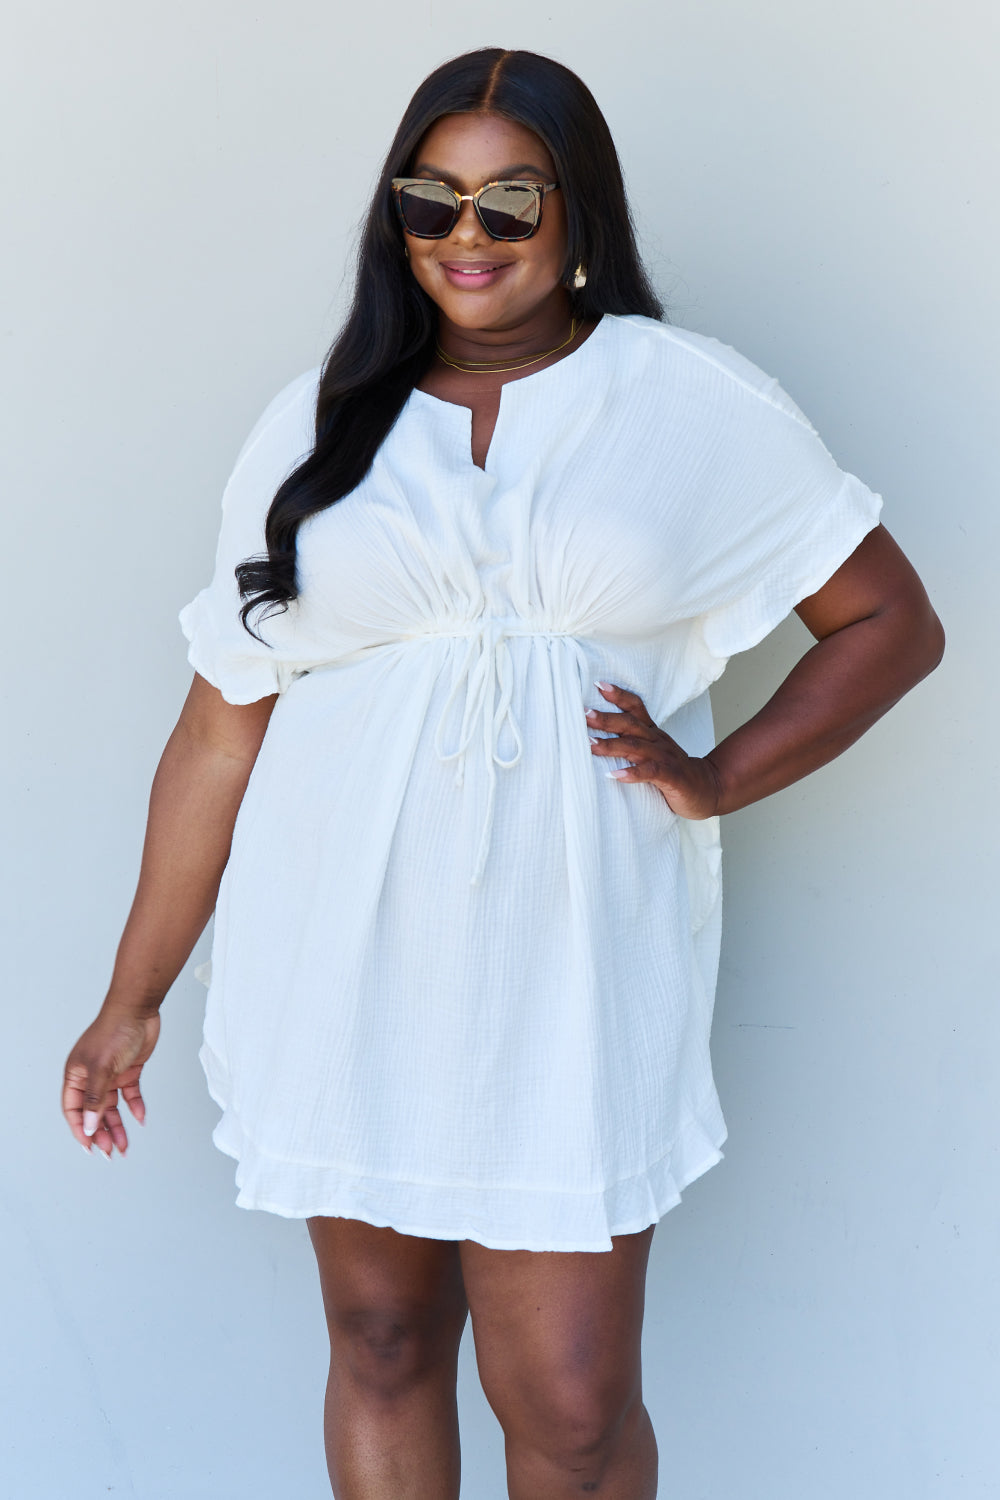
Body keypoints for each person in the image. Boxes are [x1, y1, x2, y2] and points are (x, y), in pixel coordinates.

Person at [62, 46, 944, 1500]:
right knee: (383, 1339)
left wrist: (720, 773)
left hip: (572, 975)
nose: (465, 239)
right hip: (338, 963)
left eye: (508, 202)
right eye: (432, 202)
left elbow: (890, 623)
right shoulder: (312, 427)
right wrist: (132, 995)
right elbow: (222, 728)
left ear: (579, 214)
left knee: (576, 1404)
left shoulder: (691, 405)